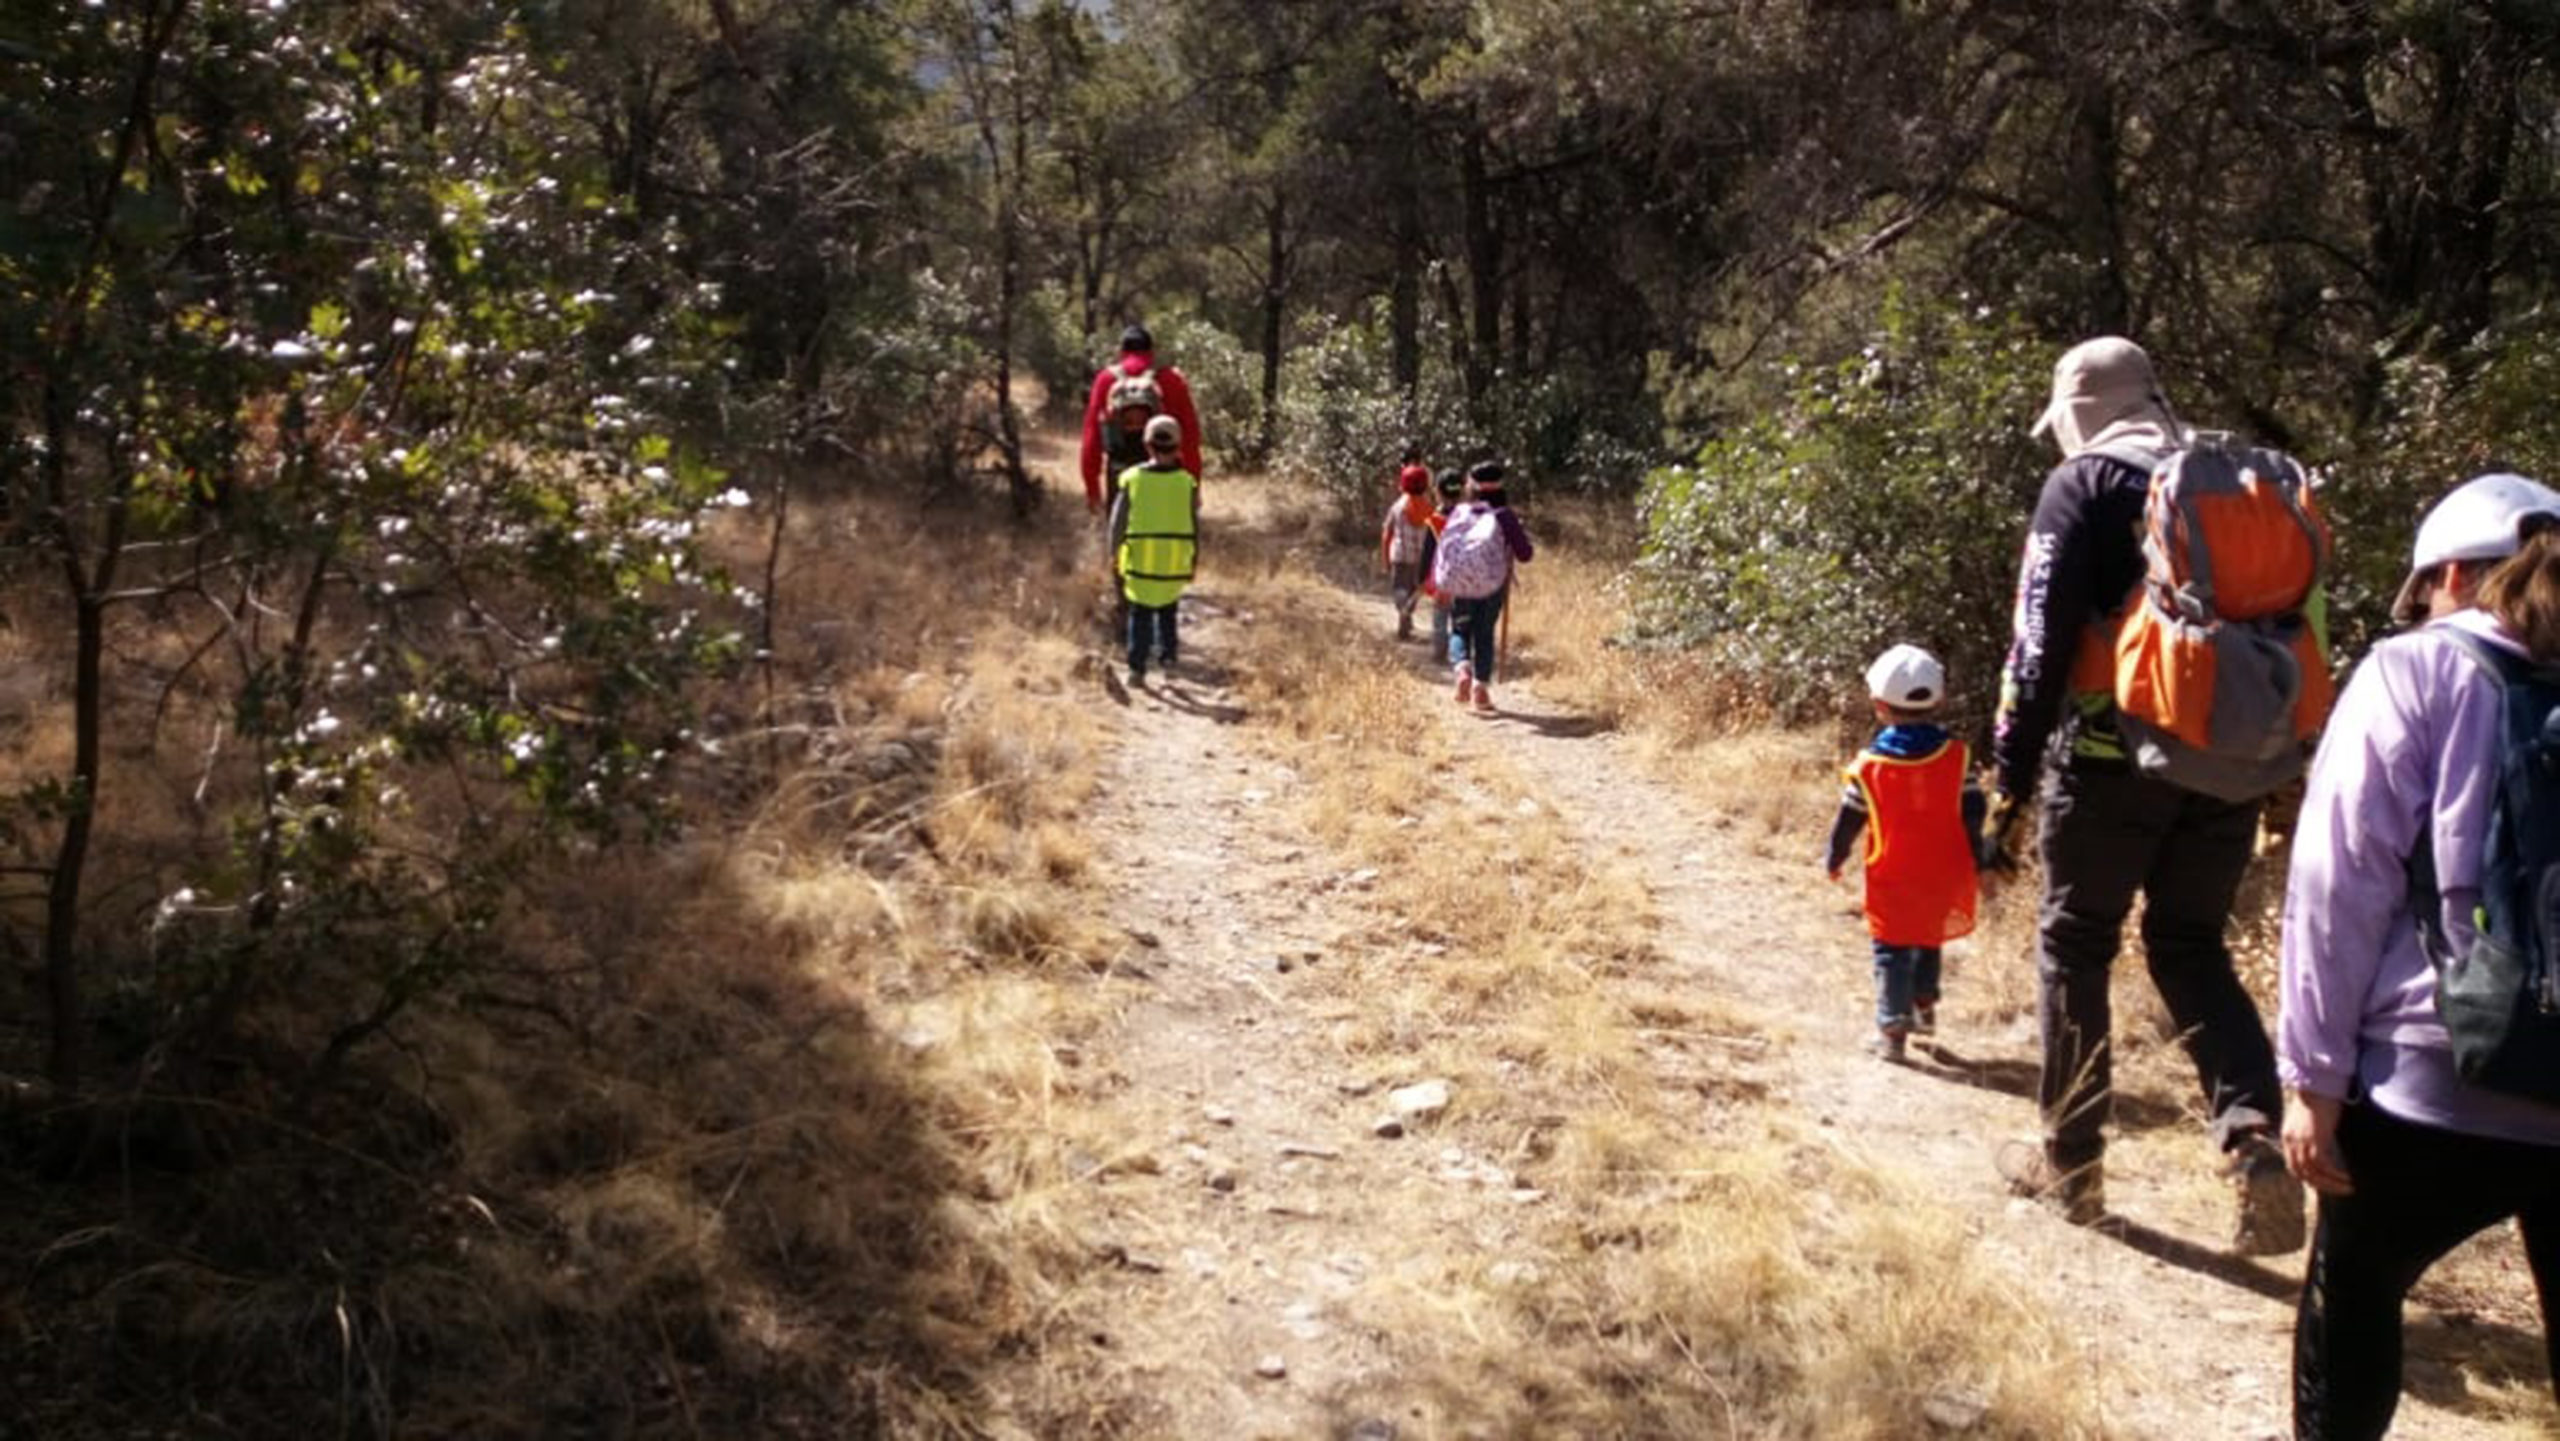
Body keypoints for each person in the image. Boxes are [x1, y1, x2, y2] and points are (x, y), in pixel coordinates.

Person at [1982, 335, 2303, 1252]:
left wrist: (2006, 786)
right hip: (2229, 760)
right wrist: (2287, 766)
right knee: (2191, 943)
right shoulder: (2239, 482)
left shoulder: (2083, 486)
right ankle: (2250, 1138)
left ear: (2080, 410)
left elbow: (2038, 646)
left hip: (2106, 754)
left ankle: (2071, 1163)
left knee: (2076, 942)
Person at [2278, 472, 2560, 1439]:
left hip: (2432, 1077)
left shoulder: (2416, 669)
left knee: (2351, 1306)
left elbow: (2337, 880)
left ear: (2447, 574)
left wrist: (2311, 1078)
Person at [1823, 644, 1984, 1063]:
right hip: (1944, 869)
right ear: (1940, 699)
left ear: (1879, 706)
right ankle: (1924, 1008)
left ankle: (1893, 1030)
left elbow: (1848, 820)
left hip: (1892, 872)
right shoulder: (1957, 757)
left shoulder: (1870, 766)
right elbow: (1973, 810)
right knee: (1928, 937)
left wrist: (1835, 857)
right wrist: (1978, 855)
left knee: (1891, 948)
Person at [1107, 415, 1200, 685]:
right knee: (1168, 612)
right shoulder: (1186, 482)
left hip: (1140, 563)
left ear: (1147, 445)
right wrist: (1195, 558)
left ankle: (1137, 669)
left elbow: (1118, 522)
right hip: (1173, 563)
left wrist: (1113, 553)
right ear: (1178, 446)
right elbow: (1194, 525)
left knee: (1140, 614)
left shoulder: (1132, 479)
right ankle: (1169, 659)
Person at [1435, 460, 1533, 714]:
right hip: (1491, 585)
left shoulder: (1460, 512)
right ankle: (1480, 687)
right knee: (1484, 632)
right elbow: (1525, 554)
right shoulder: (1504, 515)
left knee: (1459, 628)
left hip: (1460, 583)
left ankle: (1462, 669)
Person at [1080, 323, 1203, 516]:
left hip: (1119, 471)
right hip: (1166, 471)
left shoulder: (1105, 380)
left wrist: (1092, 490)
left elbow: (1091, 438)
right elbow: (1190, 437)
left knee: (1122, 533)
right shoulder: (1171, 379)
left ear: (1121, 351)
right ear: (1151, 351)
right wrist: (1194, 485)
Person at [1381, 467, 1436, 641]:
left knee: (1399, 588)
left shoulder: (1397, 507)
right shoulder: (1429, 509)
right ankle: (1408, 613)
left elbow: (1387, 533)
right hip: (1420, 559)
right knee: (1413, 590)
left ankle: (1403, 613)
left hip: (1400, 557)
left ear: (1402, 484)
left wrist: (1385, 558)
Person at [1425, 469, 1463, 663]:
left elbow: (1428, 550)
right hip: (1464, 576)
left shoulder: (1435, 520)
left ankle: (1439, 651)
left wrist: (1422, 575)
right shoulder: (1468, 517)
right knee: (1460, 616)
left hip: (1441, 576)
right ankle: (1459, 654)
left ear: (1438, 491)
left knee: (1440, 613)